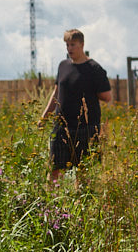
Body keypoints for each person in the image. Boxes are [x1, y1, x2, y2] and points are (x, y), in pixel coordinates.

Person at [39, 28, 112, 183]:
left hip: (86, 127)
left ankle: (82, 203)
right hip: (61, 126)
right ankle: (51, 204)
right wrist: (44, 117)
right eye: (67, 45)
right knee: (54, 168)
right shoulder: (63, 66)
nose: (69, 48)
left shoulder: (94, 69)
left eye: (73, 45)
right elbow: (56, 93)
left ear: (82, 44)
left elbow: (107, 96)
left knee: (84, 170)